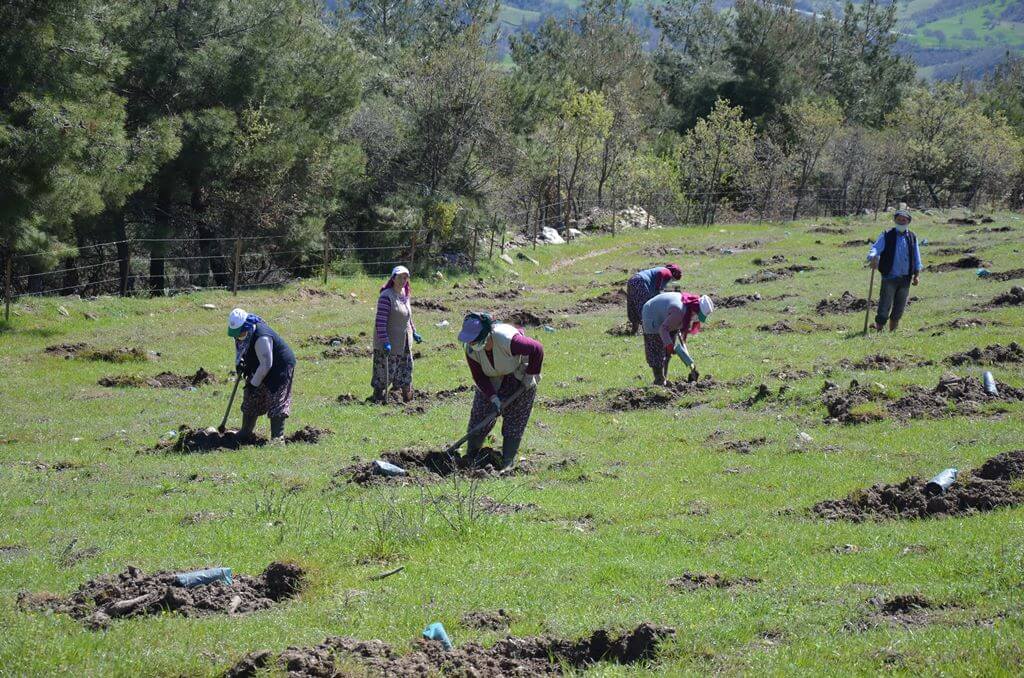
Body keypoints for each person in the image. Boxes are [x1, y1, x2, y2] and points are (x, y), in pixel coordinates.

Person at [458, 312, 544, 469]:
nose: (471, 344)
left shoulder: (508, 339)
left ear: (486, 335)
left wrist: (530, 375)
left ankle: (507, 461)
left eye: (474, 340)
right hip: (492, 379)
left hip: (518, 376)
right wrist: (493, 398)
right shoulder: (471, 349)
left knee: (515, 419)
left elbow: (537, 349)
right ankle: (470, 456)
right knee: (480, 415)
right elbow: (479, 376)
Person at [227, 308, 296, 441]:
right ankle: (245, 432)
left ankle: (277, 438)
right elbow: (243, 350)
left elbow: (266, 364)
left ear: (246, 327)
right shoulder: (243, 335)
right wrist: (241, 363)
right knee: (251, 397)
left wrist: (254, 385)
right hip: (260, 365)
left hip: (279, 367)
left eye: (240, 334)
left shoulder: (261, 337)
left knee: (277, 398)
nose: (237, 337)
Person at [372, 265, 422, 403]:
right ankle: (378, 398)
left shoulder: (405, 295)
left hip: (404, 342)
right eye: (399, 277)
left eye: (405, 278)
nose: (402, 280)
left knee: (406, 369)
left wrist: (414, 332)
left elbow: (408, 317)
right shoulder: (386, 296)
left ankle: (407, 398)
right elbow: (380, 322)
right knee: (384, 373)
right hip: (389, 342)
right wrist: (385, 341)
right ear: (393, 278)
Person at [641, 292, 714, 385]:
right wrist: (669, 345)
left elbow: (677, 326)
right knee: (656, 348)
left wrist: (671, 345)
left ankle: (664, 378)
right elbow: (663, 329)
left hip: (667, 315)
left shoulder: (688, 306)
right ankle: (659, 379)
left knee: (667, 353)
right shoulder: (679, 311)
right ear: (695, 310)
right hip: (652, 313)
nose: (697, 319)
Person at [867, 209, 922, 332]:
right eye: (899, 220)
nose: (901, 222)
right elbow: (876, 248)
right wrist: (873, 256)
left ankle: (893, 331)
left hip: (905, 278)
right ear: (895, 221)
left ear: (908, 222)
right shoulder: (887, 235)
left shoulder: (912, 237)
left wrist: (916, 275)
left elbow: (917, 257)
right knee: (885, 304)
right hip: (889, 277)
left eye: (904, 220)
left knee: (900, 306)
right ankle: (879, 329)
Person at [626, 264, 682, 334]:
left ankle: (634, 331)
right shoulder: (668, 272)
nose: (671, 281)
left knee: (633, 306)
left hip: (633, 280)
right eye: (673, 279)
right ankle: (648, 331)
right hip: (640, 282)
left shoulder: (659, 270)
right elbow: (661, 275)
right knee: (643, 308)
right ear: (674, 274)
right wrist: (658, 289)